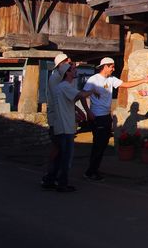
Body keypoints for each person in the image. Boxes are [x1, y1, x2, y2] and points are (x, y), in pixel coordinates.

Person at [82, 57, 148, 181]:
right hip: (97, 117)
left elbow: (125, 84)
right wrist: (88, 112)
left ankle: (93, 170)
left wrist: (143, 80)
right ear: (105, 66)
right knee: (98, 145)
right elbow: (82, 96)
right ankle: (90, 172)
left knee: (102, 145)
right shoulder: (94, 80)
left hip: (106, 116)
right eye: (112, 66)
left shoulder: (111, 79)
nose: (113, 69)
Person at [42, 62, 94, 192]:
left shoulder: (61, 87)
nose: (75, 71)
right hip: (66, 127)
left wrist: (78, 112)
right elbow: (81, 95)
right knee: (66, 158)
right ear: (68, 73)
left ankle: (50, 180)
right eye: (73, 69)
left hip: (62, 125)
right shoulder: (65, 86)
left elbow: (71, 100)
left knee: (59, 156)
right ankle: (62, 183)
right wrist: (93, 91)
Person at [42, 53, 71, 185]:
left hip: (62, 118)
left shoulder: (63, 78)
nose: (69, 62)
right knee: (57, 148)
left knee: (60, 148)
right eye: (67, 61)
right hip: (56, 118)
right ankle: (50, 176)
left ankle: (52, 177)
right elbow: (59, 98)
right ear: (61, 64)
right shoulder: (55, 79)